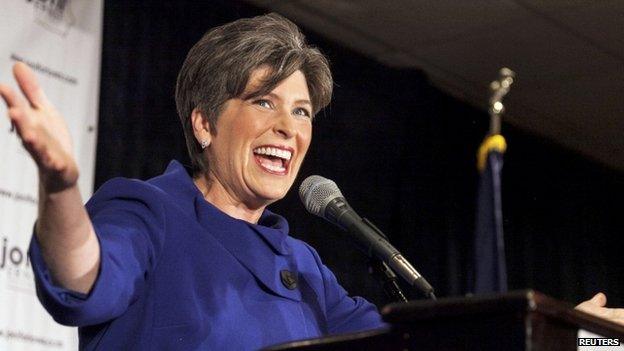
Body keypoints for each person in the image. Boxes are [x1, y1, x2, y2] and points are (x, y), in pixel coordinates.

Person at [0, 12, 622, 351]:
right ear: (205, 122)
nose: (290, 129)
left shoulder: (302, 264)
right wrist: (59, 185)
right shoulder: (148, 212)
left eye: (301, 112)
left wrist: (565, 333)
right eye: (265, 102)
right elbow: (82, 281)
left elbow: (417, 346)